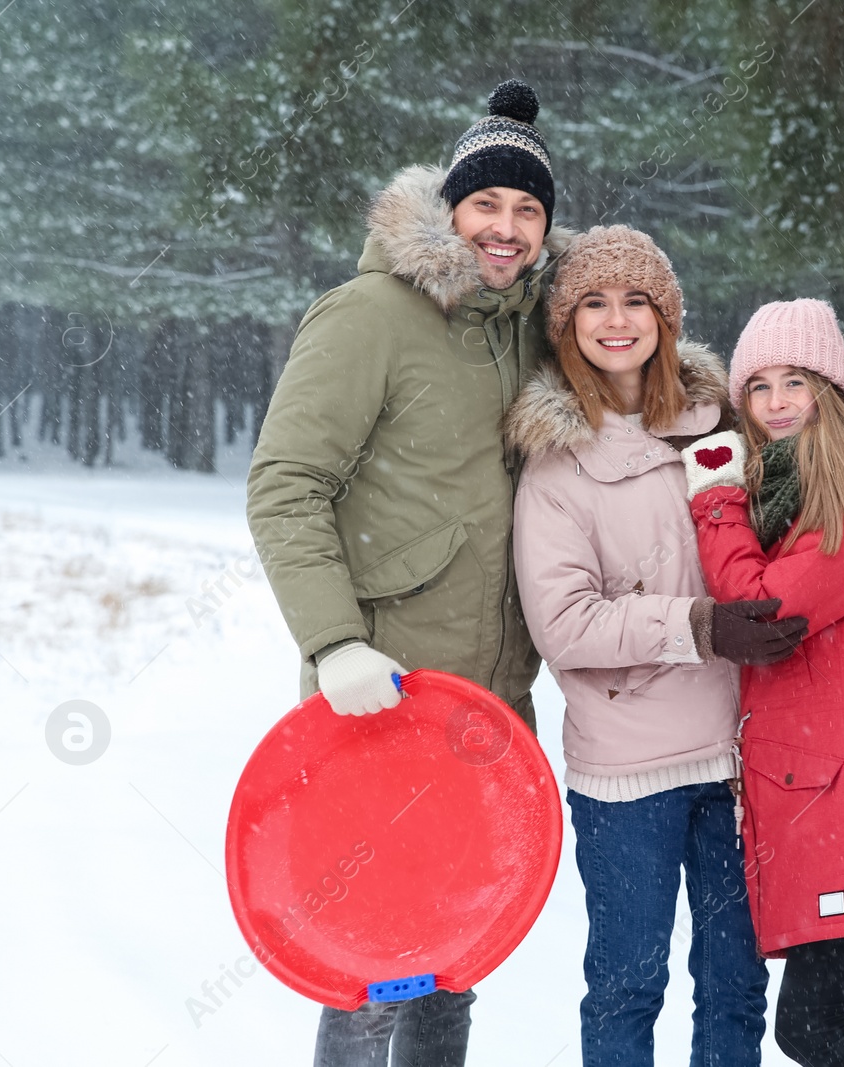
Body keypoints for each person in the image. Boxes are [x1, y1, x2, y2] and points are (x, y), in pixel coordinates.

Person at [247, 79, 571, 1067]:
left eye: (528, 209)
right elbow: (285, 484)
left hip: (487, 715)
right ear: (450, 210)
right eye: (488, 204)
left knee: (452, 961)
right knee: (368, 966)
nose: (506, 228)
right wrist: (333, 639)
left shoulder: (533, 328)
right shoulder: (366, 317)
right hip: (374, 709)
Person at [505, 226, 803, 1067]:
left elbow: (802, 513)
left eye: (637, 300)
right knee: (630, 983)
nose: (616, 320)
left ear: (666, 316)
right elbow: (563, 622)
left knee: (737, 983)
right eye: (593, 303)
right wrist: (698, 625)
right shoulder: (555, 464)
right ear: (566, 326)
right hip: (627, 773)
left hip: (740, 757)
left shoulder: (723, 426)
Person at [675, 299, 844, 1067]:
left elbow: (766, 610)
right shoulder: (787, 491)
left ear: (832, 389)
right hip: (818, 784)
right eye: (758, 386)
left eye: (796, 381)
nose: (777, 402)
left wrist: (715, 500)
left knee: (807, 1023)